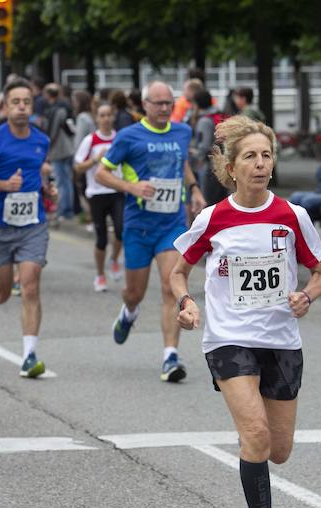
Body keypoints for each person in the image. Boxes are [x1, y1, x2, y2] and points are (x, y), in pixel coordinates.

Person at [170, 115, 321, 508]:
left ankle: (253, 451)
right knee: (256, 435)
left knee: (278, 450)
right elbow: (179, 270)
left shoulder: (292, 216)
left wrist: (306, 296)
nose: (260, 165)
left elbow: (319, 273)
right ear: (231, 169)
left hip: (281, 341)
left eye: (266, 156)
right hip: (228, 340)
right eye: (250, 157)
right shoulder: (213, 218)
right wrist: (186, 302)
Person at [94, 80, 206, 382]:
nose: (165, 108)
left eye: (169, 102)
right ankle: (129, 312)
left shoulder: (182, 131)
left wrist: (194, 188)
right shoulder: (129, 136)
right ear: (145, 105)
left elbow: (181, 164)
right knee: (135, 292)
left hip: (171, 224)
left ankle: (170, 357)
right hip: (139, 226)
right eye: (158, 103)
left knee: (172, 287)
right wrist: (131, 187)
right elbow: (101, 173)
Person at [0, 79, 55, 378]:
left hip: (33, 223)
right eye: (15, 102)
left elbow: (38, 175)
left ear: (32, 107)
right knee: (3, 291)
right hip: (0, 224)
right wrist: (3, 185)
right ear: (5, 107)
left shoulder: (41, 140)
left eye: (26, 102)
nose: (21, 107)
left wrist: (49, 191)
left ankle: (30, 355)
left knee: (30, 284)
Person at [74, 102, 123, 292]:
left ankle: (114, 260)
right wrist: (95, 159)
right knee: (101, 237)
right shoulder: (90, 140)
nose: (106, 119)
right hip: (96, 193)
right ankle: (100, 274)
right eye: (102, 115)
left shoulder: (120, 139)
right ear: (97, 118)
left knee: (121, 230)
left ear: (113, 117)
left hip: (117, 190)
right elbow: (78, 167)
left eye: (109, 115)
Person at [43, 84, 76, 220]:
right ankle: (68, 208)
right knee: (67, 179)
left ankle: (64, 210)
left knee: (61, 180)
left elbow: (53, 131)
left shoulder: (55, 110)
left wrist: (49, 146)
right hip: (68, 147)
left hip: (58, 149)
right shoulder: (66, 107)